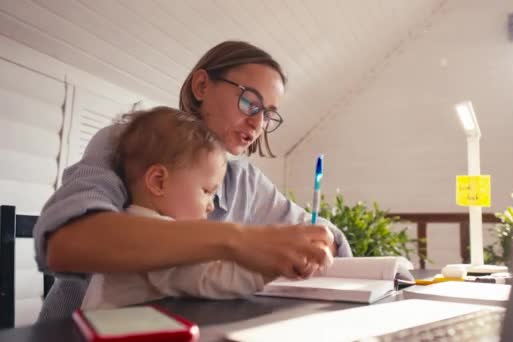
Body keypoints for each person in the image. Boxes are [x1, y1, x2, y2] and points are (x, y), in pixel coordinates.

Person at [33, 40, 352, 320]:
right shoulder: (130, 143)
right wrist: (239, 241)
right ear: (202, 86)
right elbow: (67, 245)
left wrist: (321, 241)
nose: (257, 123)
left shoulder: (245, 181)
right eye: (250, 103)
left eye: (268, 114)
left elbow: (323, 235)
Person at [81, 107, 280, 310]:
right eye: (206, 191)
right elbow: (213, 279)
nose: (212, 205)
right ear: (159, 182)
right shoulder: (157, 237)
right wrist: (271, 266)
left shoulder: (128, 222)